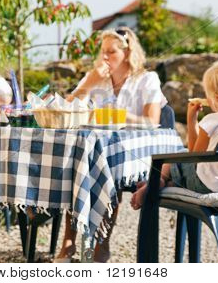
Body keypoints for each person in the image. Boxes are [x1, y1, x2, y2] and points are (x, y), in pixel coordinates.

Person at [56, 26, 168, 262]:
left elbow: (152, 120)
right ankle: (68, 241)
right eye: (103, 51)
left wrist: (119, 116)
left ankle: (101, 243)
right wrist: (90, 83)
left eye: (111, 52)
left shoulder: (146, 80)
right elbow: (65, 109)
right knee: (77, 162)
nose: (105, 57)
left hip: (134, 155)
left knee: (105, 164)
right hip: (97, 148)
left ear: (127, 53)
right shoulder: (96, 77)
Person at [130, 61, 218, 210]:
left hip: (205, 185)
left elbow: (194, 155)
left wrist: (192, 121)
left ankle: (157, 181)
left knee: (175, 157)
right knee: (183, 161)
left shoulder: (214, 120)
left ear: (217, 98)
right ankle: (168, 183)